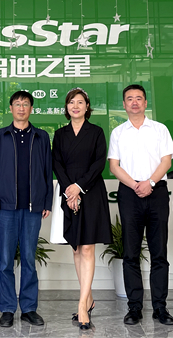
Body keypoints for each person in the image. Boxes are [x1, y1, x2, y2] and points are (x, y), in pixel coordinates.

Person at [108, 84, 173, 326]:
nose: (134, 102)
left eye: (139, 98)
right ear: (124, 104)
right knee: (130, 253)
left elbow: (166, 161)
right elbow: (114, 166)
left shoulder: (159, 129)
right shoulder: (118, 132)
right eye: (130, 99)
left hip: (157, 192)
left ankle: (160, 307)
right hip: (129, 194)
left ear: (146, 103)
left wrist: (150, 183)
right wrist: (136, 185)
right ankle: (134, 308)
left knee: (159, 253)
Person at [0, 90, 53, 328]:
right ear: (11, 108)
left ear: (31, 109)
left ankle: (28, 308)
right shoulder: (0, 135)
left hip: (33, 208)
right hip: (6, 208)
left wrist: (47, 201)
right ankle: (7, 309)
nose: (21, 108)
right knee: (6, 261)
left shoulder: (41, 136)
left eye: (25, 104)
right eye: (17, 104)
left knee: (28, 259)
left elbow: (47, 170)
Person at [52, 88, 111, 330]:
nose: (75, 106)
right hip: (68, 194)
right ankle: (88, 298)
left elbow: (99, 163)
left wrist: (79, 187)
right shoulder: (60, 134)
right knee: (76, 248)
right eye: (71, 102)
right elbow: (56, 163)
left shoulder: (96, 132)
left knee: (87, 247)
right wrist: (70, 190)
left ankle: (81, 305)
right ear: (66, 108)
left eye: (80, 102)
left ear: (87, 106)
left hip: (91, 192)